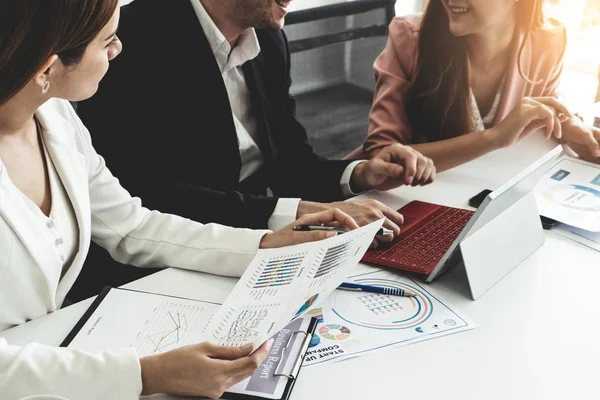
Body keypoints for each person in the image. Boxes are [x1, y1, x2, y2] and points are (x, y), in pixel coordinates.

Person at [0, 1, 360, 398]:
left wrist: (261, 245)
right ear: (47, 69)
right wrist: (145, 376)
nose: (118, 50)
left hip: (57, 357)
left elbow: (132, 226)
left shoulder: (56, 116)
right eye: (108, 42)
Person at [74, 0, 438, 297]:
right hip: (160, 269)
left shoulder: (268, 39)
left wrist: (360, 172)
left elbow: (289, 161)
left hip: (253, 243)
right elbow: (152, 195)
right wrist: (293, 214)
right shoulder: (132, 40)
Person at [352, 0, 600, 172]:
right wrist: (492, 138)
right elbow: (380, 157)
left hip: (481, 193)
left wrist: (570, 126)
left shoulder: (550, 40)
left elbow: (544, 102)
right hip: (404, 203)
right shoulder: (409, 37)